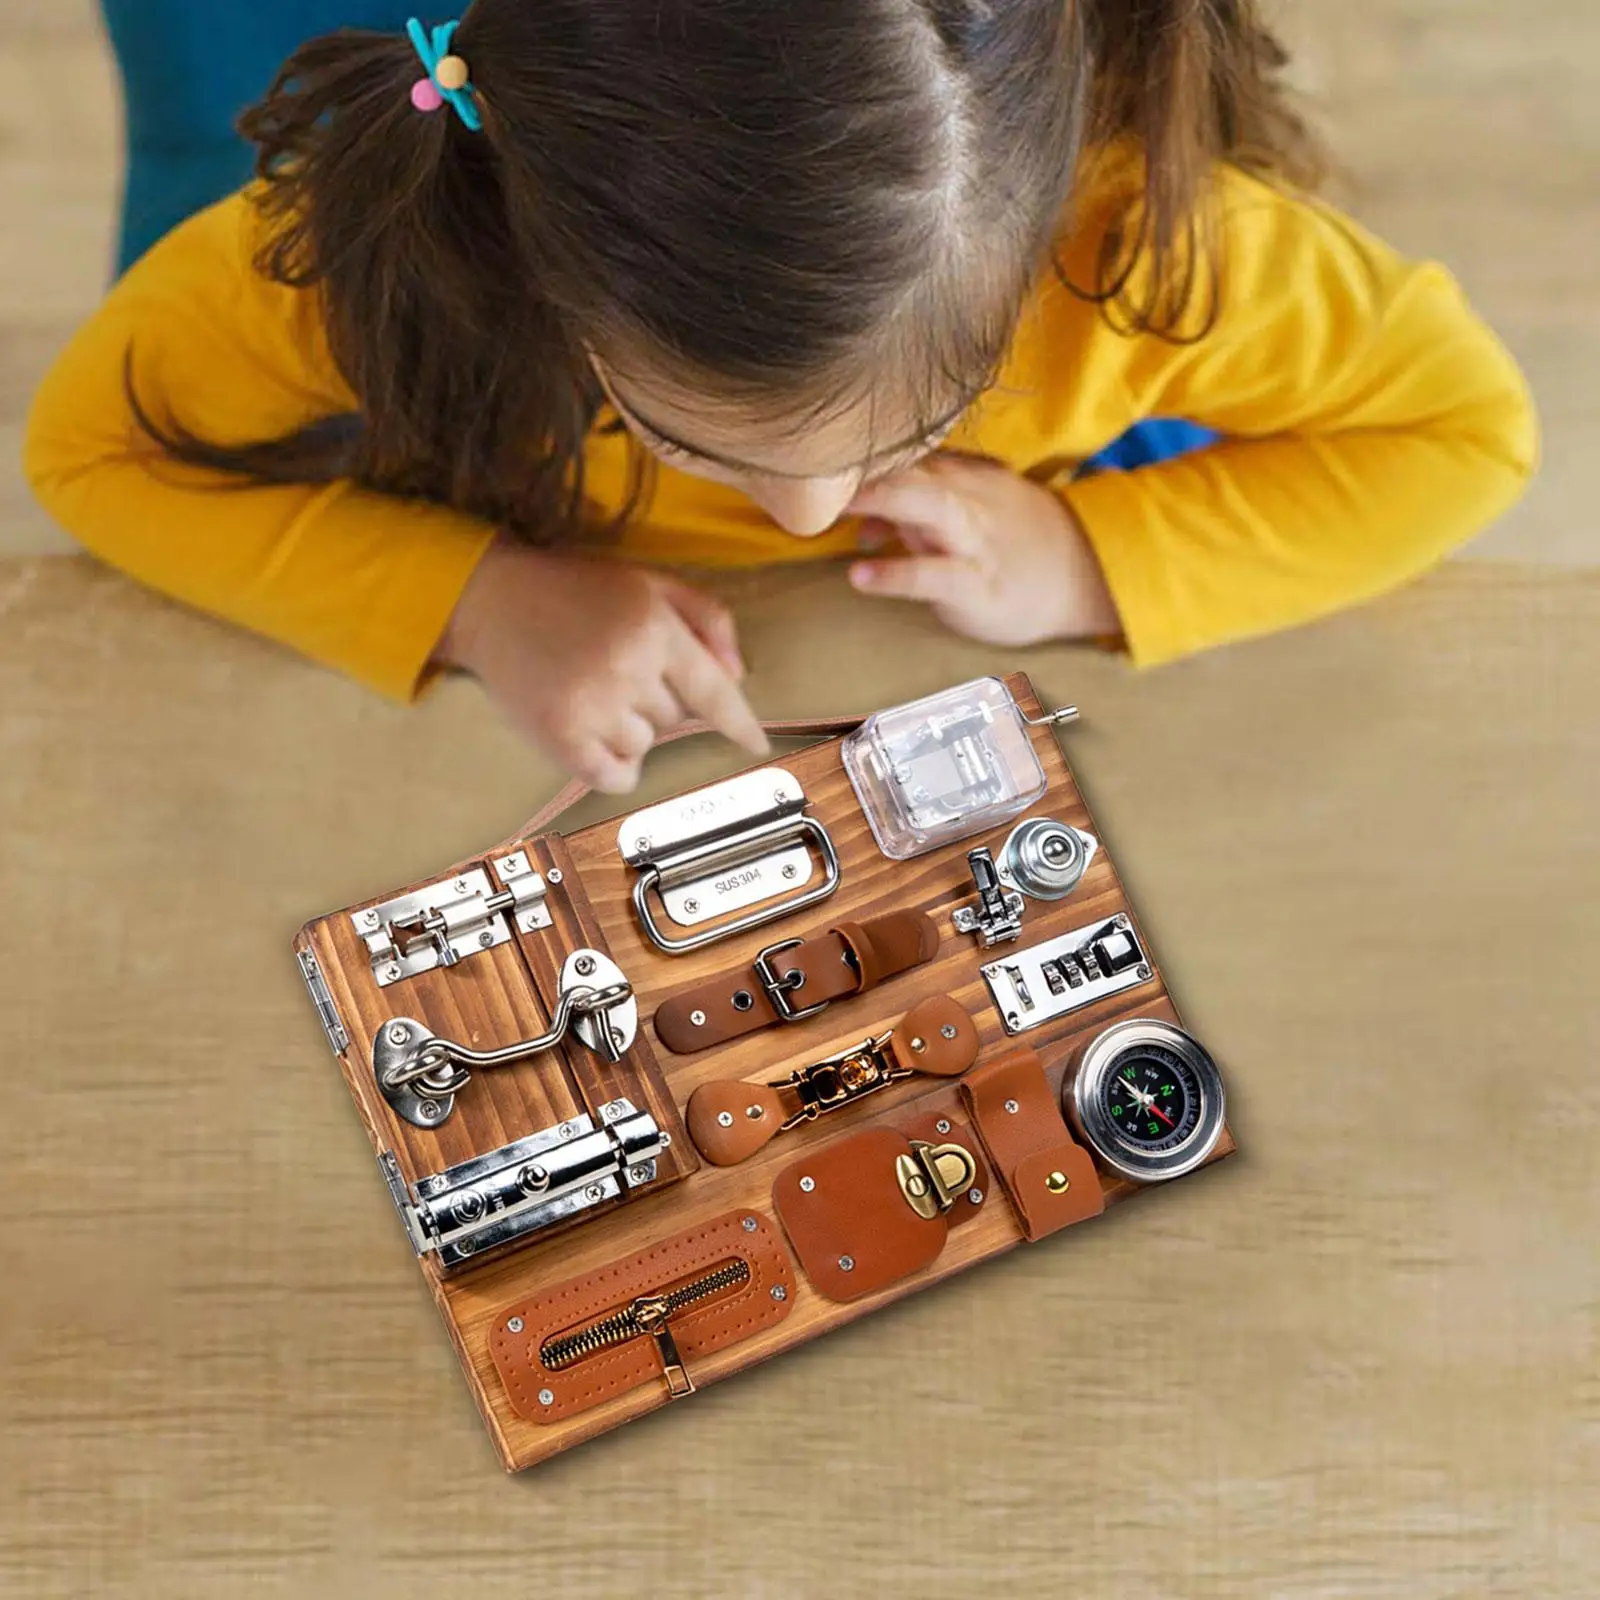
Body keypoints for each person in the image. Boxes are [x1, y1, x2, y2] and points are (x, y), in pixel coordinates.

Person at [26, 2, 1537, 795]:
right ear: (538, 267)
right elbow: (86, 451)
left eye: (930, 416)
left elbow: (1468, 431)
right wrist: (483, 601)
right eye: (684, 432)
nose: (813, 512)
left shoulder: (1153, 244)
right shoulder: (373, 261)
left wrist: (1088, 559)